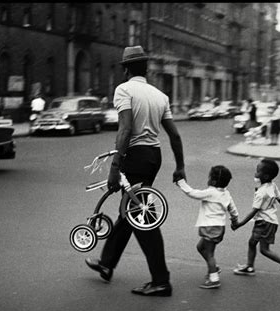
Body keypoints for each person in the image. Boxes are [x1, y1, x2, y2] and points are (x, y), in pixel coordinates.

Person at [85, 45, 185, 297]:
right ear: (146, 68)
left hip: (136, 156)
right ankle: (107, 263)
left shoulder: (124, 90)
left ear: (126, 69)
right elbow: (174, 135)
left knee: (141, 217)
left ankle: (161, 280)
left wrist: (114, 166)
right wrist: (180, 167)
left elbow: (125, 129)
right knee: (130, 211)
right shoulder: (160, 96)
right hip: (154, 156)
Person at [232, 159, 280, 281]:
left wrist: (239, 224)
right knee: (252, 243)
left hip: (264, 222)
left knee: (264, 250)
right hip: (270, 221)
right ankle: (250, 267)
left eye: (258, 171)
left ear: (265, 176)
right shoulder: (272, 186)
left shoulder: (261, 192)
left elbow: (254, 211)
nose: (255, 173)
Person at [175, 166, 239, 289]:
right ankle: (213, 268)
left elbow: (192, 193)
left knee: (209, 254)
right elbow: (233, 209)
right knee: (200, 247)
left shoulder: (211, 193)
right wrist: (234, 221)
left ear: (213, 181)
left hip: (211, 228)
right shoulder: (226, 193)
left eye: (209, 177)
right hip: (219, 228)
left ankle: (214, 279)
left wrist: (181, 182)